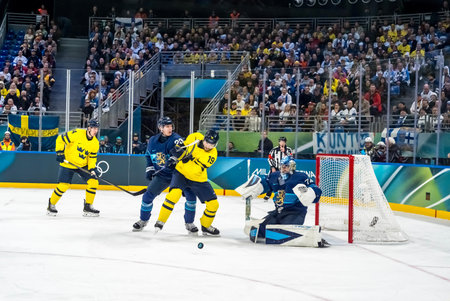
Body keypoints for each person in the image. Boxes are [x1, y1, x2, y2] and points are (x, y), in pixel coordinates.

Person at [236, 156, 327, 247]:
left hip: (295, 212)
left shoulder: (300, 177)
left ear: (292, 167)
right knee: (260, 232)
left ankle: (312, 236)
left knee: (283, 230)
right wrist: (254, 188)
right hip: (278, 212)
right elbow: (265, 183)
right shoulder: (274, 176)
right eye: (282, 166)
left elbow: (315, 189)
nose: (283, 168)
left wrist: (311, 193)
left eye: (286, 166)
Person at [133, 117, 198, 233]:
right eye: (167, 126)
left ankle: (189, 222)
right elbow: (148, 155)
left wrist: (177, 158)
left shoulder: (176, 139)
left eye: (171, 126)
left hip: (179, 175)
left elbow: (184, 153)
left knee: (191, 197)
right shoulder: (153, 140)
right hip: (162, 175)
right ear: (160, 128)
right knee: (147, 197)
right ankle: (143, 220)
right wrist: (150, 169)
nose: (170, 128)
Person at [154, 129, 220, 236]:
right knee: (174, 195)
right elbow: (182, 148)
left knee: (213, 205)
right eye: (207, 142)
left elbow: (195, 170)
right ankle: (160, 221)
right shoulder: (194, 137)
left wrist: (184, 158)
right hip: (181, 173)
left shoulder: (212, 155)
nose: (209, 146)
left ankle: (206, 225)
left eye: (212, 145)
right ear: (203, 139)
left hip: (198, 178)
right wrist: (174, 156)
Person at [47, 120, 100, 216]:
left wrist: (92, 168)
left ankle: (88, 206)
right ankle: (51, 204)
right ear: (89, 128)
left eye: (97, 128)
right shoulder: (77, 133)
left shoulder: (95, 143)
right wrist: (59, 152)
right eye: (94, 128)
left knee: (93, 181)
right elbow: (60, 139)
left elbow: (92, 158)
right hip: (68, 163)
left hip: (82, 165)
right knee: (63, 185)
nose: (95, 130)